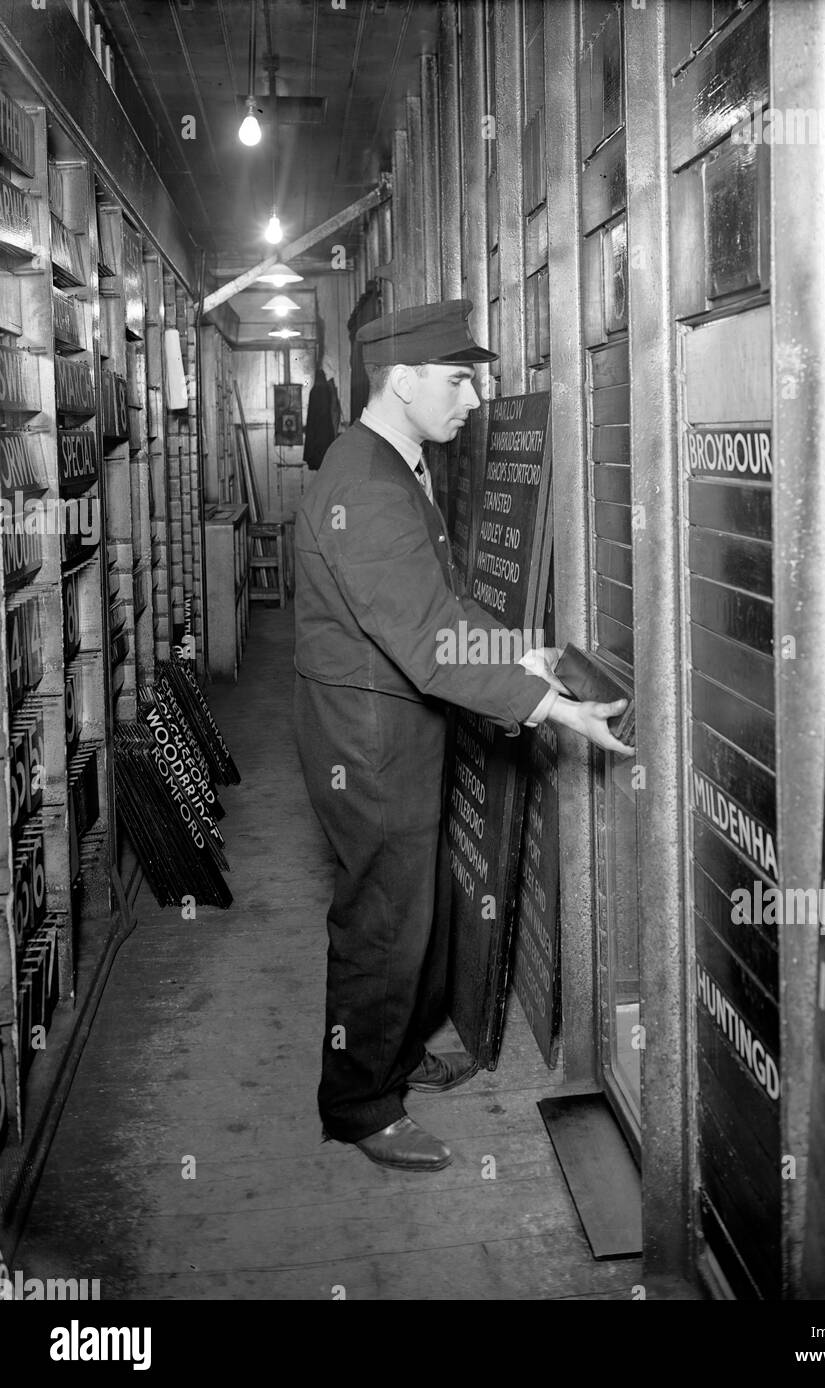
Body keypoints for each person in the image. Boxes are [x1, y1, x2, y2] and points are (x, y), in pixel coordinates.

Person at [293, 298, 633, 1172]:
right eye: (458, 380)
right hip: (371, 738)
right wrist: (548, 703)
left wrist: (523, 648)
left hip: (391, 719)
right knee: (383, 916)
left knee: (410, 903)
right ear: (402, 381)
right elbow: (428, 638)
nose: (476, 398)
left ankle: (393, 1057)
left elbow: (435, 606)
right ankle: (360, 1103)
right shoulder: (367, 485)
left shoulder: (390, 462)